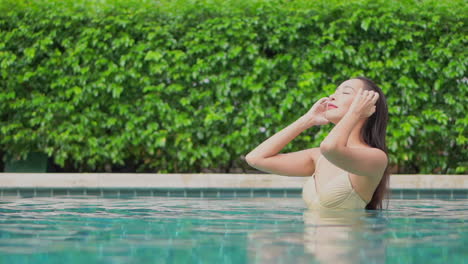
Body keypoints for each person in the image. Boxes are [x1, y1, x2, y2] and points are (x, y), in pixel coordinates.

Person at [245, 76, 390, 210]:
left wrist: (356, 113)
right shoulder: (317, 157)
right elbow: (255, 159)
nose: (332, 96)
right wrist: (307, 119)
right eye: (335, 92)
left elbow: (331, 148)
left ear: (366, 104)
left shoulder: (376, 158)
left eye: (345, 92)